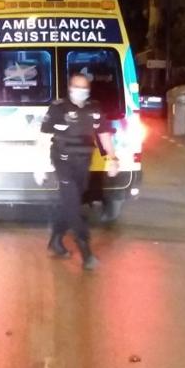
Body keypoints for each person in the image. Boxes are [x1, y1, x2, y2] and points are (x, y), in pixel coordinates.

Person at [38, 72, 119, 270]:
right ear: (70, 88)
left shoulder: (94, 108)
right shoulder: (59, 108)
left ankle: (56, 240)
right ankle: (86, 251)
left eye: (84, 88)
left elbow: (104, 133)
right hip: (63, 159)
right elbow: (43, 137)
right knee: (73, 204)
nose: (80, 91)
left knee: (71, 201)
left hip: (84, 161)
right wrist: (39, 164)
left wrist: (112, 158)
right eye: (77, 87)